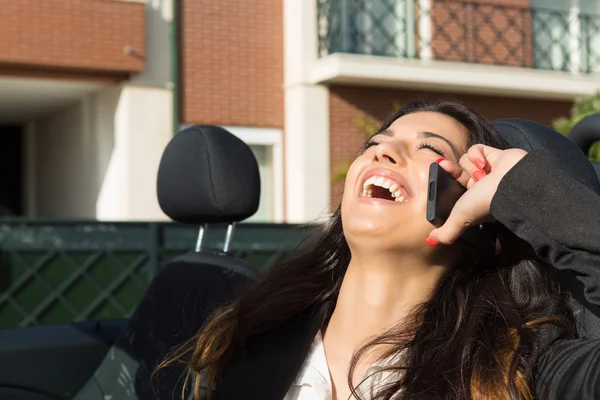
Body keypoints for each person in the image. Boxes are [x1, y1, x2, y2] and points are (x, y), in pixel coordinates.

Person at [156, 100, 599, 400]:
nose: (384, 151)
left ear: (470, 207)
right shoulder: (246, 339)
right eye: (375, 143)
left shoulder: (519, 369)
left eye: (428, 148)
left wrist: (525, 191)